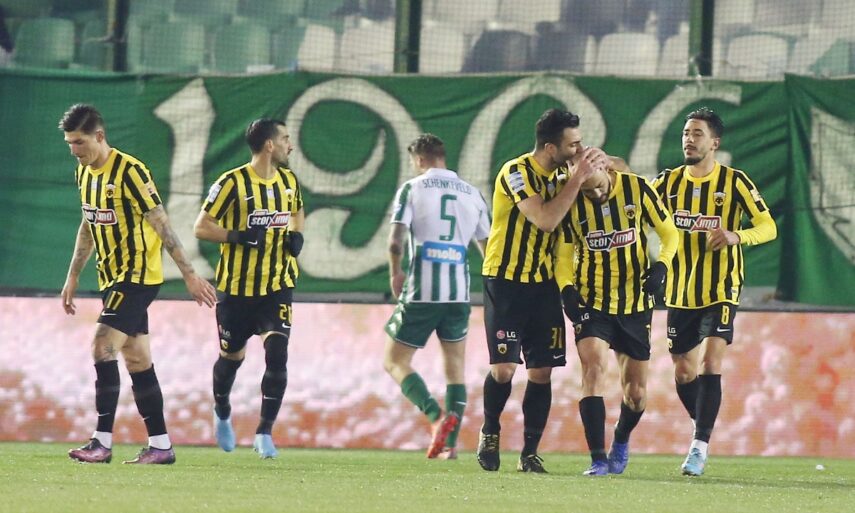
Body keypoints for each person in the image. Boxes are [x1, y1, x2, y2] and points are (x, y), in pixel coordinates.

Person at [59, 103, 217, 464]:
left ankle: (101, 442)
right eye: (69, 143)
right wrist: (73, 275)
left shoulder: (130, 171)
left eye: (79, 142)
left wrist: (190, 274)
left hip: (137, 277)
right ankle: (161, 446)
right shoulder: (83, 172)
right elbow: (88, 223)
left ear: (100, 135)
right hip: (111, 278)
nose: (74, 150)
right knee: (137, 359)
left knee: (102, 347)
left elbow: (161, 222)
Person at [477, 109, 609, 473]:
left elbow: (603, 190)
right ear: (551, 147)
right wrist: (579, 178)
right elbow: (546, 219)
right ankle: (490, 430)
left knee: (542, 371)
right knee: (504, 369)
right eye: (572, 144)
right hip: (505, 280)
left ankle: (529, 453)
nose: (578, 149)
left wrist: (600, 167)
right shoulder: (516, 172)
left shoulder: (566, 173)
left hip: (544, 283)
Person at [653, 107, 777, 476]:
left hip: (721, 287)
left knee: (710, 362)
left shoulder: (735, 182)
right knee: (683, 371)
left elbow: (768, 226)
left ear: (715, 143)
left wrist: (736, 235)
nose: (689, 140)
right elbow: (636, 202)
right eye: (686, 133)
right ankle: (704, 424)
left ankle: (698, 446)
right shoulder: (667, 183)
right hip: (679, 290)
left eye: (697, 134)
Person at [555, 163, 678, 476]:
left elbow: (670, 234)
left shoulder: (637, 188)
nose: (596, 193)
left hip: (634, 304)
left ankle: (621, 438)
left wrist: (662, 266)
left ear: (605, 169)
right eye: (588, 191)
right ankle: (598, 459)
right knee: (593, 368)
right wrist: (566, 288)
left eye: (598, 185)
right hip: (593, 302)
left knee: (636, 394)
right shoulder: (570, 199)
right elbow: (564, 255)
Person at [194, 118, 304, 459]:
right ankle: (222, 410)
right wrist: (237, 236)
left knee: (278, 354)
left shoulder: (288, 181)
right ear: (270, 145)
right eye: (285, 139)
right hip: (236, 291)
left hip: (277, 286)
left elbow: (297, 211)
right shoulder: (232, 183)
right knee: (231, 358)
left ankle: (264, 432)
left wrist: (296, 235)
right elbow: (201, 227)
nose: (290, 145)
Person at [383, 134, 491, 460]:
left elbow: (395, 241)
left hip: (422, 292)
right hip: (459, 294)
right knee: (455, 367)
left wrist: (395, 272)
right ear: (443, 156)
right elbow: (489, 251)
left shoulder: (413, 188)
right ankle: (449, 445)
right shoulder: (472, 194)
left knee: (394, 360)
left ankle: (435, 415)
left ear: (419, 159)